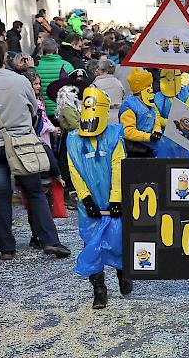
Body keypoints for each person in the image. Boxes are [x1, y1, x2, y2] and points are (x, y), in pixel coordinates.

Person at [0, 42, 71, 260]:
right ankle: (49, 241)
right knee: (34, 191)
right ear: (5, 59)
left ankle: (6, 248)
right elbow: (33, 108)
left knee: (0, 195)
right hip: (22, 143)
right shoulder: (21, 81)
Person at [68, 87, 131, 309]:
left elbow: (118, 168)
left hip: (112, 198)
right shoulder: (73, 140)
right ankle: (99, 289)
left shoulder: (114, 136)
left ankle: (124, 274)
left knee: (118, 240)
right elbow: (74, 170)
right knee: (92, 246)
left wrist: (116, 199)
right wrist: (85, 199)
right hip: (90, 204)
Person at [119, 68, 162, 157]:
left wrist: (157, 131)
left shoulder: (148, 101)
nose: (151, 89)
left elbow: (155, 118)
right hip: (134, 150)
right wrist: (148, 137)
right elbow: (127, 131)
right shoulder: (129, 105)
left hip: (149, 148)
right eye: (148, 86)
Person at [155, 69, 189, 158]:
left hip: (184, 134)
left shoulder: (184, 93)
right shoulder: (157, 98)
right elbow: (156, 117)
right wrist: (171, 123)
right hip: (165, 136)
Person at [35, 38, 75, 118]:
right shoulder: (66, 66)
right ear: (56, 50)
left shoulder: (36, 66)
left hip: (42, 112)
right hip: (61, 110)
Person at [91, 60, 125, 124]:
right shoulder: (119, 83)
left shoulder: (96, 85)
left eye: (99, 69)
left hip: (101, 118)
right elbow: (123, 96)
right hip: (118, 116)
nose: (96, 71)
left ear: (106, 71)